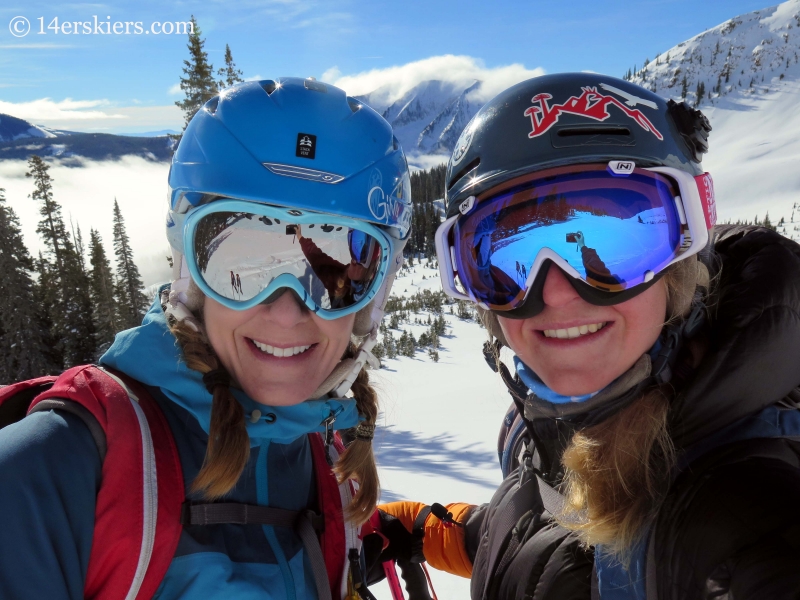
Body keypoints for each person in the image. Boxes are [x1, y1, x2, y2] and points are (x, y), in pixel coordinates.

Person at [370, 74, 800, 599]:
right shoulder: (553, 424)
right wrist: (426, 532)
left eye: (611, 241)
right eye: (508, 260)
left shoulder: (751, 524)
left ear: (680, 264)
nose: (555, 293)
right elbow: (551, 529)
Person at [0, 77, 412, 599]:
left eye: (332, 274)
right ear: (191, 277)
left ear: (372, 298)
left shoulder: (322, 461)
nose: (286, 312)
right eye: (242, 262)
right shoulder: (53, 473)